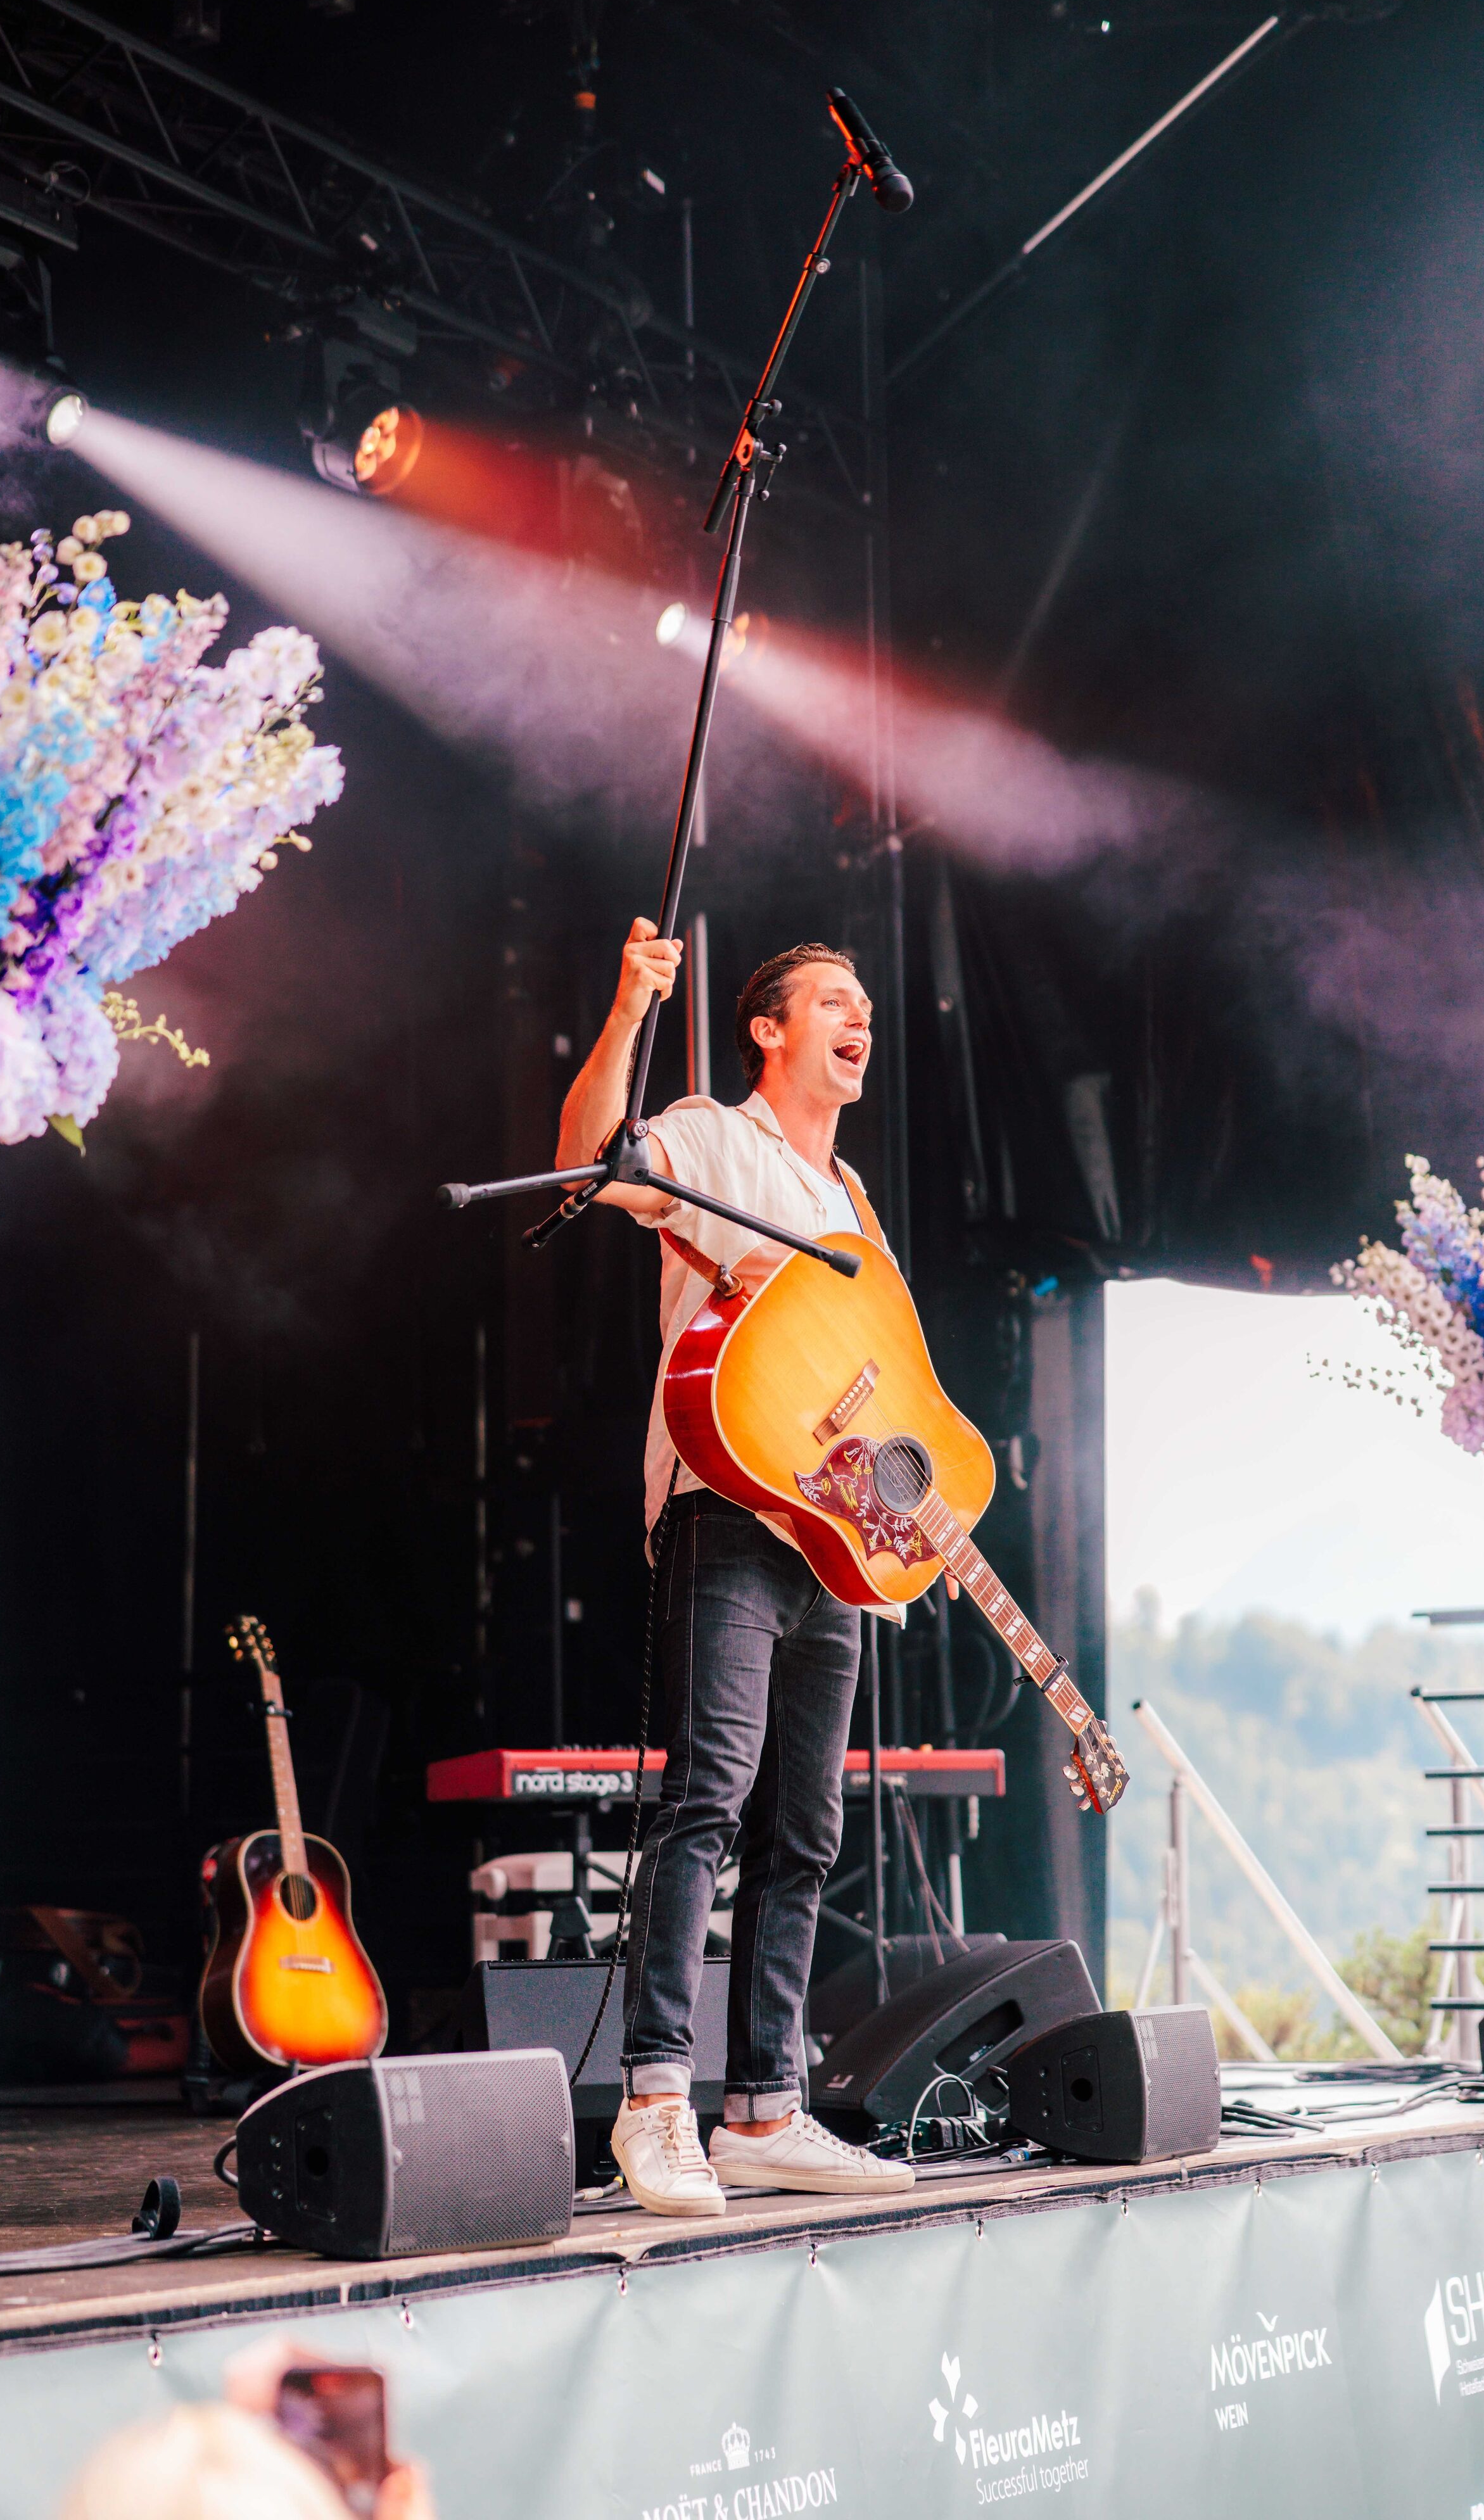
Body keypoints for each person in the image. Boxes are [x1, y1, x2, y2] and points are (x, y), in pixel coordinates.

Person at [556, 921, 916, 2218]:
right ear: (770, 1027)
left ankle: (764, 2105)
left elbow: (880, 1388)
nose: (857, 1013)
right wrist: (627, 1007)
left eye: (864, 1001)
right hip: (726, 1509)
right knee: (707, 1793)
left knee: (806, 1828)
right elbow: (588, 1163)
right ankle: (656, 2100)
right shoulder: (714, 1135)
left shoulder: (856, 1201)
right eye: (832, 997)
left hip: (833, 1539)